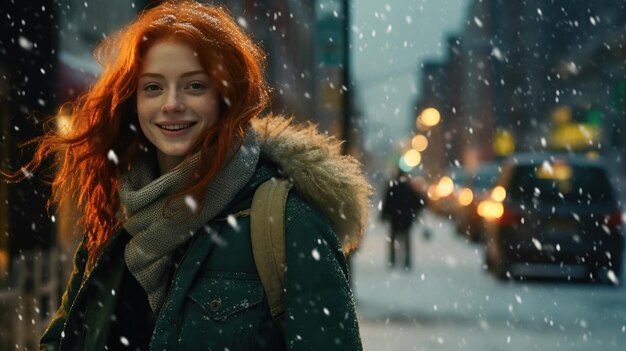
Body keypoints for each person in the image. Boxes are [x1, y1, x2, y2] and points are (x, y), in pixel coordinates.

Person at [2, 1, 372, 350]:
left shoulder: (289, 225)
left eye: (195, 85)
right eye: (153, 87)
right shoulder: (115, 216)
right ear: (134, 100)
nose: (172, 103)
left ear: (225, 97)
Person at [381, 168, 426, 271]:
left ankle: (392, 260)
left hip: (395, 219)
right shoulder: (409, 188)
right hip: (406, 219)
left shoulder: (392, 187)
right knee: (406, 241)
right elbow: (418, 203)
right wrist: (414, 213)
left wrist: (384, 215)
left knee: (393, 240)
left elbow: (387, 202)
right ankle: (407, 262)